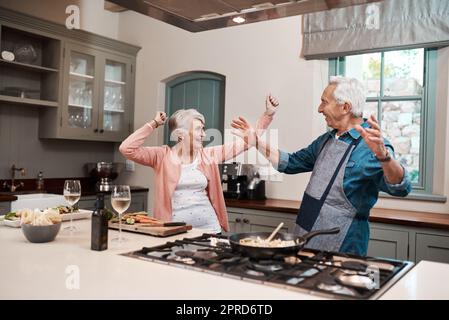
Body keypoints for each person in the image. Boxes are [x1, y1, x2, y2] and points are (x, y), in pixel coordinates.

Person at [231, 77, 411, 255]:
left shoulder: (372, 145)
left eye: (324, 102)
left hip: (343, 243)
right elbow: (290, 162)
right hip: (306, 234)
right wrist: (256, 142)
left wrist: (384, 157)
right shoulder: (326, 140)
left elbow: (402, 188)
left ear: (345, 107)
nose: (319, 109)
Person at [119, 95, 279, 233]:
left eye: (203, 129)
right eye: (199, 130)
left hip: (210, 230)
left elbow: (247, 142)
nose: (204, 134)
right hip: (173, 231)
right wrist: (153, 124)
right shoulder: (161, 156)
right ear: (180, 135)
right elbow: (127, 148)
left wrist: (268, 115)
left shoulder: (207, 155)